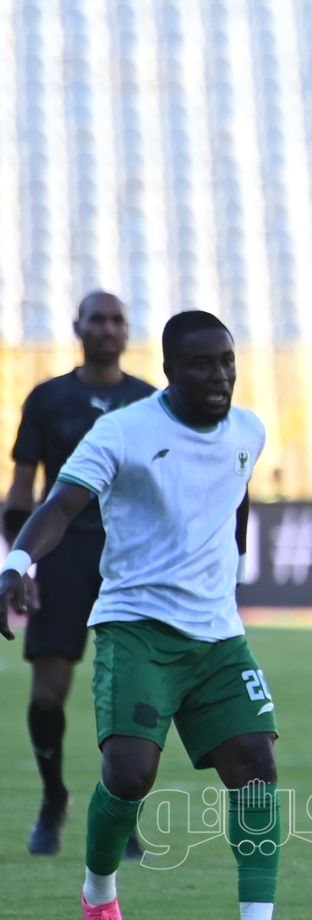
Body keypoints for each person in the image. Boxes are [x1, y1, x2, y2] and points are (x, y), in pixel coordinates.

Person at [0, 309, 301, 920]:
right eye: (201, 364)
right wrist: (17, 563)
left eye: (227, 362)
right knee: (130, 776)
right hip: (136, 627)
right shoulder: (123, 432)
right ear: (169, 370)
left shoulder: (249, 430)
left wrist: (231, 559)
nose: (219, 375)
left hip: (218, 636)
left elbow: (237, 491)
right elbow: (60, 506)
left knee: (256, 764)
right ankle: (99, 895)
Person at [7, 292, 155, 856]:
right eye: (98, 319)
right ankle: (53, 799)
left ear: (128, 330)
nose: (108, 329)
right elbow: (23, 490)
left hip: (130, 557)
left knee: (133, 697)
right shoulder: (48, 399)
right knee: (49, 692)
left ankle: (123, 814)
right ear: (78, 327)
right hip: (62, 551)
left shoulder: (150, 401)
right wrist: (21, 562)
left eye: (117, 320)